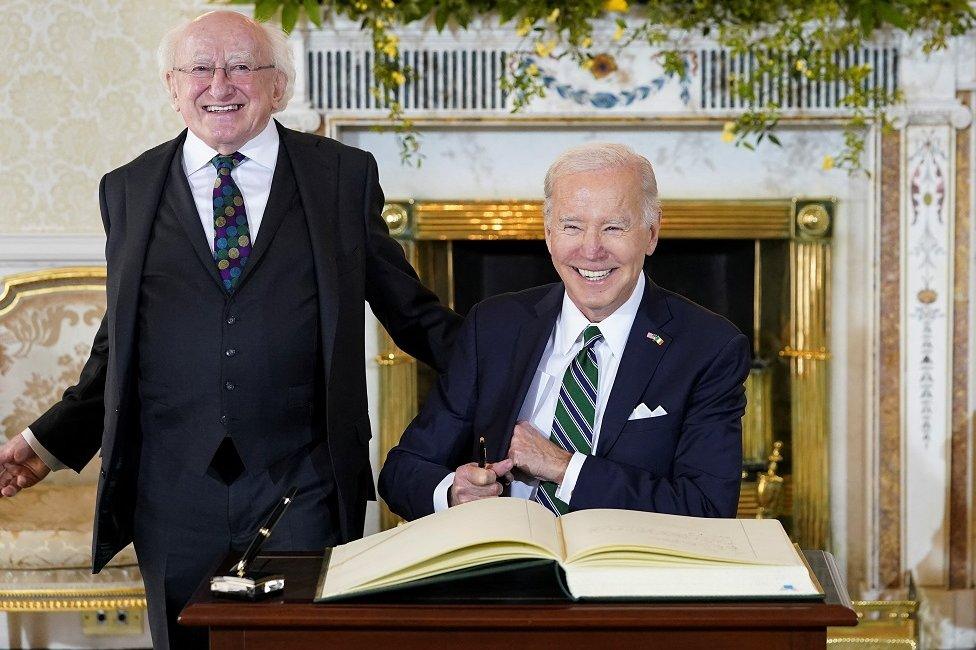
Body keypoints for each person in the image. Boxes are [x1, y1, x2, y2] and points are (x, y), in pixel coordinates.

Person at [0, 10, 460, 650]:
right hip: (172, 494)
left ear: (280, 86)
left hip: (302, 485)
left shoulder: (341, 179)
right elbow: (119, 350)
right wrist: (41, 445)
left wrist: (517, 366)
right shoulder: (127, 190)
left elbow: (408, 309)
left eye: (243, 66)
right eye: (199, 68)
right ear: (171, 84)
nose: (220, 83)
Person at [379, 142, 750, 522]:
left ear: (651, 234)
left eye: (613, 227)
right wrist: (455, 494)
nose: (591, 250)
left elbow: (706, 508)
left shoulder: (709, 347)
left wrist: (562, 467)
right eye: (572, 226)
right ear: (549, 233)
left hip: (630, 570)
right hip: (506, 563)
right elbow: (403, 472)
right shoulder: (494, 326)